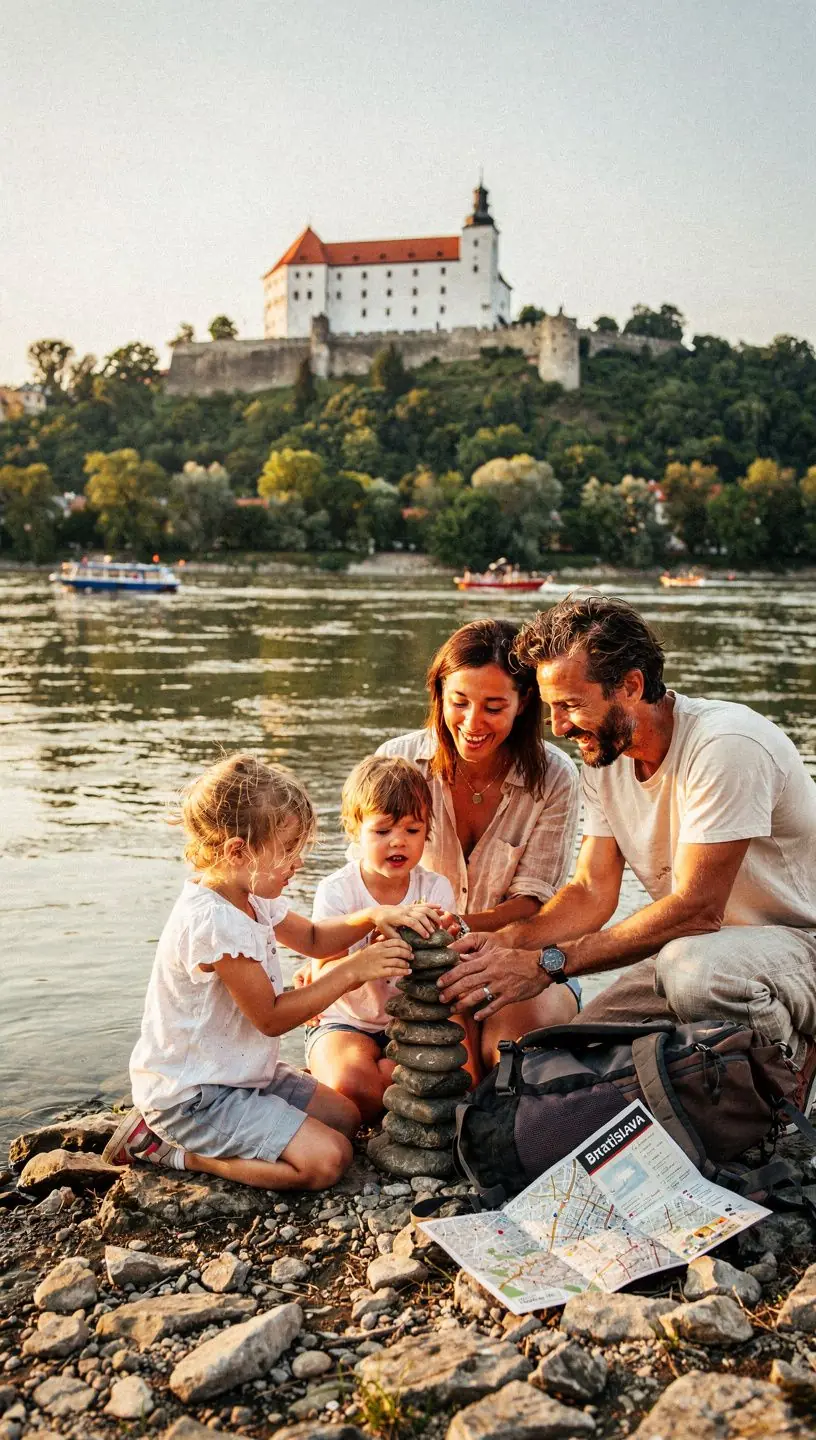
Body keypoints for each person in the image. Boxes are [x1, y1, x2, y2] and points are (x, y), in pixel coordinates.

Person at [440, 596, 816, 1115]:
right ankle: (704, 1077)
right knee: (559, 1056)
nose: (557, 727)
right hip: (709, 952)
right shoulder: (605, 757)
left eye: (570, 705)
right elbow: (591, 892)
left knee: (693, 973)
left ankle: (786, 1084)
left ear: (632, 686)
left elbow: (697, 909)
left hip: (797, 946)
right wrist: (504, 943)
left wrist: (548, 963)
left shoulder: (726, 745)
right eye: (551, 707)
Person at [102, 753, 441, 1191]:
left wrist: (373, 915)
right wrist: (355, 969)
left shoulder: (251, 894)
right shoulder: (213, 922)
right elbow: (272, 1018)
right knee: (328, 1160)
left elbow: (316, 939)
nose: (298, 864)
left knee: (347, 1119)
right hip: (195, 1096)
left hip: (243, 1075)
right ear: (238, 851)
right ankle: (170, 1149)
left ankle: (229, 1126)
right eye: (288, 852)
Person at [377, 617, 581, 1072]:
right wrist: (330, 960)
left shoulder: (555, 777)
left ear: (524, 701)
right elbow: (364, 880)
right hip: (416, 963)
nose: (472, 723)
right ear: (439, 696)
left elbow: (532, 903)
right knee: (450, 1068)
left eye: (493, 706)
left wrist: (456, 926)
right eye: (459, 702)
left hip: (517, 956)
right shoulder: (398, 760)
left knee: (509, 1056)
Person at [305, 755, 456, 1122]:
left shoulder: (433, 888)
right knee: (355, 1087)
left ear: (428, 831)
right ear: (355, 830)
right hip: (348, 1020)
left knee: (428, 1081)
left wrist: (443, 945)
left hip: (416, 1025)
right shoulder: (338, 891)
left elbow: (445, 968)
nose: (397, 842)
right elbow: (321, 975)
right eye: (382, 830)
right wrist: (368, 957)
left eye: (412, 830)